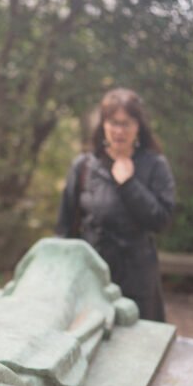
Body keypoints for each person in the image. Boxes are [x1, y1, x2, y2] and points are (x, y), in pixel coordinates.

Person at [56, 88, 175, 321]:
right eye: (113, 122)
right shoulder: (84, 166)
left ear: (138, 126)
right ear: (103, 125)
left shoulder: (154, 165)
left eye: (126, 123)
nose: (119, 131)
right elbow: (64, 230)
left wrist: (128, 184)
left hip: (138, 284)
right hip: (90, 282)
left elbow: (162, 220)